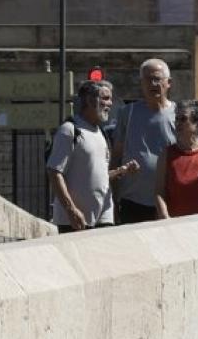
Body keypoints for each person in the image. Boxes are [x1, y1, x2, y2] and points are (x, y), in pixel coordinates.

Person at [47, 79, 138, 232]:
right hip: (75, 221)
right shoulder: (69, 130)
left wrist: (121, 171)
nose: (110, 104)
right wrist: (71, 210)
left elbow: (96, 176)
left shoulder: (101, 133)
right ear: (90, 100)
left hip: (102, 218)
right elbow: (54, 172)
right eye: (105, 98)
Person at [109, 58, 178, 225]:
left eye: (157, 79)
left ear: (168, 83)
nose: (153, 83)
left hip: (171, 200)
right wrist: (112, 200)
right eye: (148, 79)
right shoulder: (128, 113)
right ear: (141, 83)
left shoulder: (180, 114)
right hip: (133, 201)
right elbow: (116, 156)